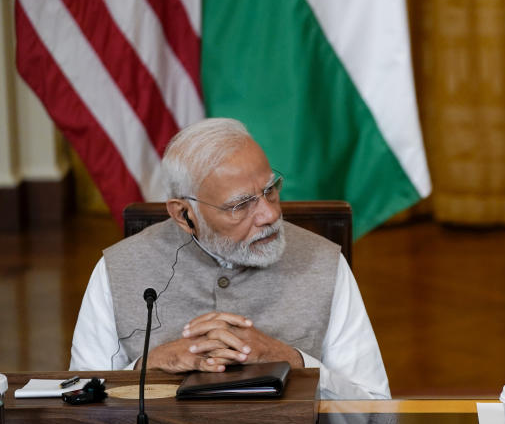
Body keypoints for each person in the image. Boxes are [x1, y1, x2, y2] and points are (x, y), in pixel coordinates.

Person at [70, 118, 390, 400]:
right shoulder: (119, 268)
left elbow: (374, 406)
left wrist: (291, 360)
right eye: (240, 205)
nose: (269, 214)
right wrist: (150, 365)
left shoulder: (323, 262)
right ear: (184, 214)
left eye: (270, 190)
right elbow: (78, 400)